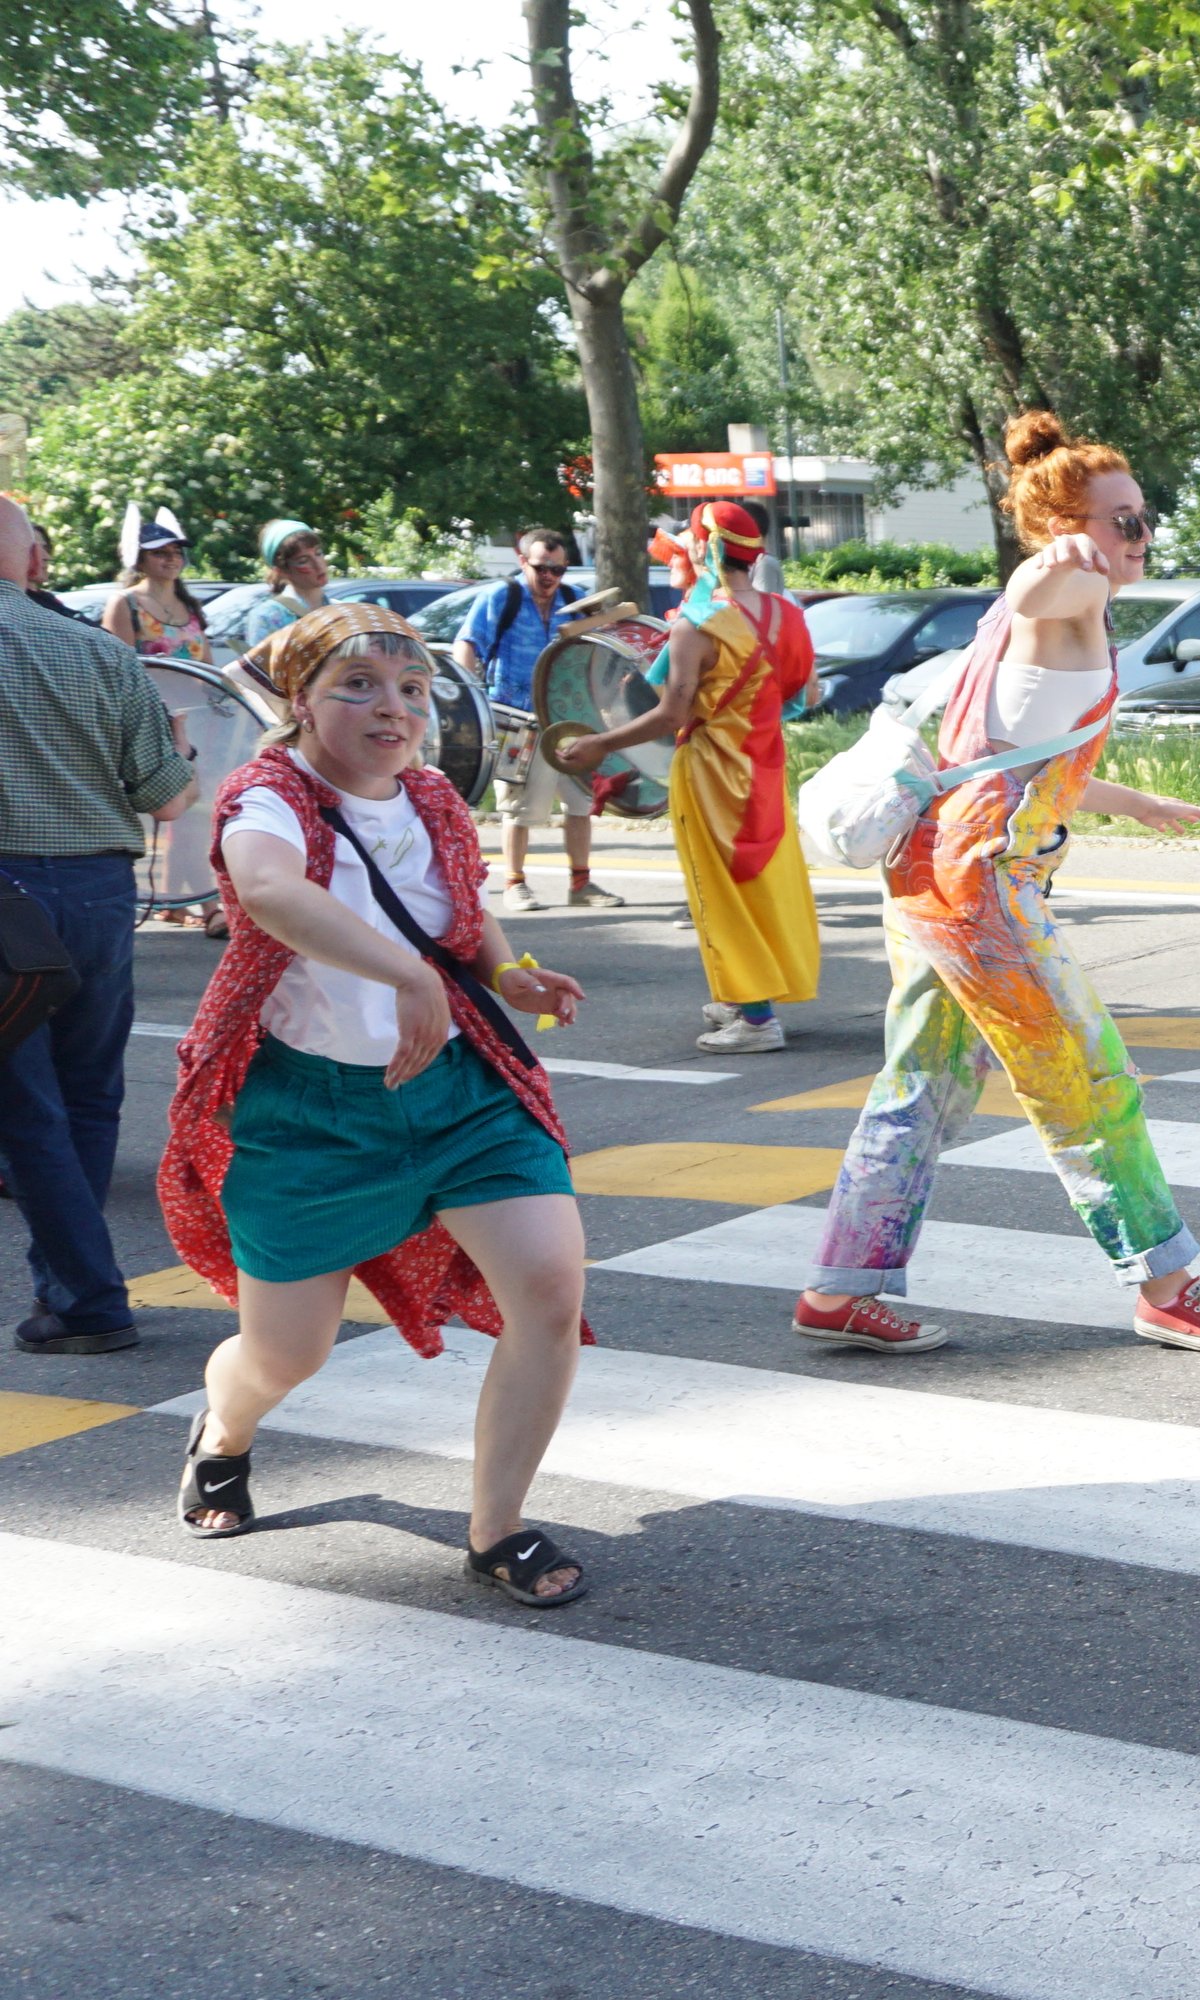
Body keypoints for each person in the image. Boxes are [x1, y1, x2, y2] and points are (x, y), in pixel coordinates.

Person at [154, 602, 595, 1607]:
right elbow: (268, 890)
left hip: (461, 1094)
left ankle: (497, 1529)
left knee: (547, 1291)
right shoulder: (269, 794)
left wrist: (507, 976)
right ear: (303, 701)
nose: (392, 707)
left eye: (411, 688)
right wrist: (408, 976)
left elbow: (461, 916)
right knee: (286, 1353)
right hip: (308, 1117)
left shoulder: (433, 797)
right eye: (358, 685)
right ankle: (225, 1432)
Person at [796, 412, 1200, 1354]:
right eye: (1123, 521)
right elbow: (1034, 583)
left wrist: (1134, 803)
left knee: (922, 1081)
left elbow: (1012, 759)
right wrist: (1056, 558)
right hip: (977, 892)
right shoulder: (1058, 594)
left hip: (931, 876)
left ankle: (839, 1289)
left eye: (1144, 516)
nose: (1142, 535)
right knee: (1086, 1075)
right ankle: (1165, 1286)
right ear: (1063, 529)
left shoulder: (1039, 620)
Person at [0, 495, 197, 1355]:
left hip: (6, 897)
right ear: (35, 561)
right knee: (86, 1094)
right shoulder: (99, 649)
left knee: (25, 1108)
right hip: (98, 893)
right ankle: (72, 1287)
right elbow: (169, 798)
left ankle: (86, 1298)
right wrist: (181, 751)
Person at [557, 503, 821, 1055]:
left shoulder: (697, 625)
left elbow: (672, 714)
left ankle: (757, 1020)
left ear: (706, 548)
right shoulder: (788, 614)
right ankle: (742, 997)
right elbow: (807, 693)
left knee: (718, 890)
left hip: (713, 770)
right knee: (762, 882)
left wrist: (600, 744)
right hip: (765, 764)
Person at [460, 527, 617, 912]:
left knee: (580, 803)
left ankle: (581, 885)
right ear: (522, 561)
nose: (549, 577)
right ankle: (515, 884)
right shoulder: (502, 597)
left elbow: (597, 653)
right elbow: (468, 644)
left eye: (557, 570)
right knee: (518, 808)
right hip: (516, 719)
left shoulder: (574, 600)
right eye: (541, 568)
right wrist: (471, 699)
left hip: (568, 719)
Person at [100, 515, 211, 661]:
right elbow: (120, 665)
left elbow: (207, 667)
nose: (171, 558)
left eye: (177, 551)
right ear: (139, 561)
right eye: (159, 552)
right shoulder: (125, 603)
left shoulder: (189, 606)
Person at [221, 519, 332, 652]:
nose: (318, 565)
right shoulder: (266, 617)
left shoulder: (340, 609)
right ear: (281, 571)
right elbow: (261, 664)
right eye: (303, 561)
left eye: (318, 553)